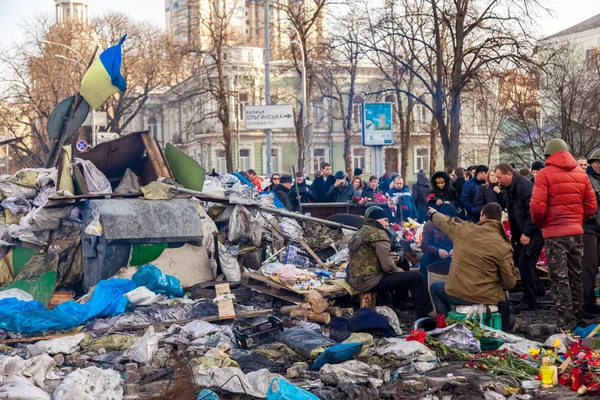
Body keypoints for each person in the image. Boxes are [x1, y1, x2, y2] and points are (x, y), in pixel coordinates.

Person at [530, 138, 597, 330]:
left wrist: (542, 223)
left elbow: (536, 207)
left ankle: (566, 324)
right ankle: (578, 318)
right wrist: (576, 219)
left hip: (554, 234)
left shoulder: (544, 174)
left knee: (559, 279)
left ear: (548, 156)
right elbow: (591, 206)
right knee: (576, 275)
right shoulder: (581, 174)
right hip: (576, 232)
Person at [428, 203, 516, 331]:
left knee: (435, 288)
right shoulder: (503, 244)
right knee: (503, 298)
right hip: (487, 297)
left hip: (457, 294)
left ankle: (447, 328)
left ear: (483, 216)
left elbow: (445, 223)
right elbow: (510, 283)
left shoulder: (464, 230)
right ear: (499, 220)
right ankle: (504, 328)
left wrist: (434, 214)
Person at [346, 206, 433, 318]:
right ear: (377, 220)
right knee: (417, 277)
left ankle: (393, 303)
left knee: (403, 269)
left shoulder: (360, 232)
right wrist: (400, 271)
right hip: (369, 281)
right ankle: (424, 316)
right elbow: (388, 266)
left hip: (355, 279)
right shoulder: (378, 233)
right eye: (385, 220)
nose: (387, 224)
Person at [495, 162, 545, 311]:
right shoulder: (509, 187)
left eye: (500, 177)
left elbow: (534, 213)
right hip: (522, 231)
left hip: (533, 232)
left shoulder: (524, 187)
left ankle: (530, 300)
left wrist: (527, 233)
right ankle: (538, 290)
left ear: (509, 174)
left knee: (525, 263)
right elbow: (513, 212)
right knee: (522, 261)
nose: (498, 181)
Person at [420, 203, 459, 286]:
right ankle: (425, 288)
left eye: (451, 218)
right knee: (424, 259)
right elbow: (424, 245)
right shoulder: (430, 225)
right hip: (435, 253)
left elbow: (468, 244)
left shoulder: (461, 225)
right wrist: (437, 251)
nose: (448, 221)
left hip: (455, 255)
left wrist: (457, 250)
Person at [582, 151, 600, 315]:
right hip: (590, 226)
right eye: (596, 162)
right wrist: (593, 217)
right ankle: (586, 302)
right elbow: (586, 204)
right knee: (590, 264)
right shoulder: (586, 179)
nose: (599, 165)